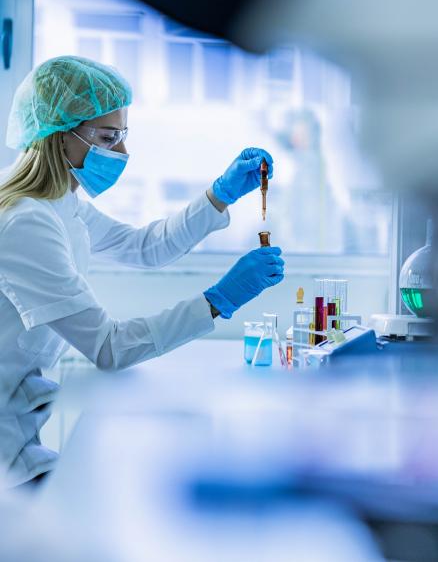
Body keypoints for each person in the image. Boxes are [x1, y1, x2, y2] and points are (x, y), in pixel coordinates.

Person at [0, 56, 285, 489]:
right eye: (108, 138)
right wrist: (218, 300)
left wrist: (219, 195)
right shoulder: (27, 221)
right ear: (58, 137)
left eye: (123, 137)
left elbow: (144, 248)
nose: (123, 153)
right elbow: (108, 348)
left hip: (20, 436)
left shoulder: (60, 204)